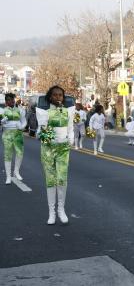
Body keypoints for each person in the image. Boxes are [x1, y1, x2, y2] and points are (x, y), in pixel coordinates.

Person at [36, 85, 75, 225]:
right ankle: (51, 213)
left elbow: (70, 128)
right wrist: (46, 137)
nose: (58, 97)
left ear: (63, 98)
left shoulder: (68, 112)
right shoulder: (44, 113)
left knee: (62, 179)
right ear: (50, 97)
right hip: (48, 149)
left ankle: (61, 210)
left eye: (60, 95)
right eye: (55, 95)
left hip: (63, 149)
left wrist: (70, 139)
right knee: (50, 180)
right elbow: (40, 132)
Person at [0, 93, 27, 184]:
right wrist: (2, 121)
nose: (11, 101)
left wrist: (22, 127)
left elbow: (24, 121)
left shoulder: (20, 110)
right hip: (7, 134)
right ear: (6, 101)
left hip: (18, 134)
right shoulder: (2, 111)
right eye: (8, 100)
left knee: (20, 153)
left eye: (12, 99)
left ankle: (16, 171)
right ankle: (8, 176)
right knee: (8, 154)